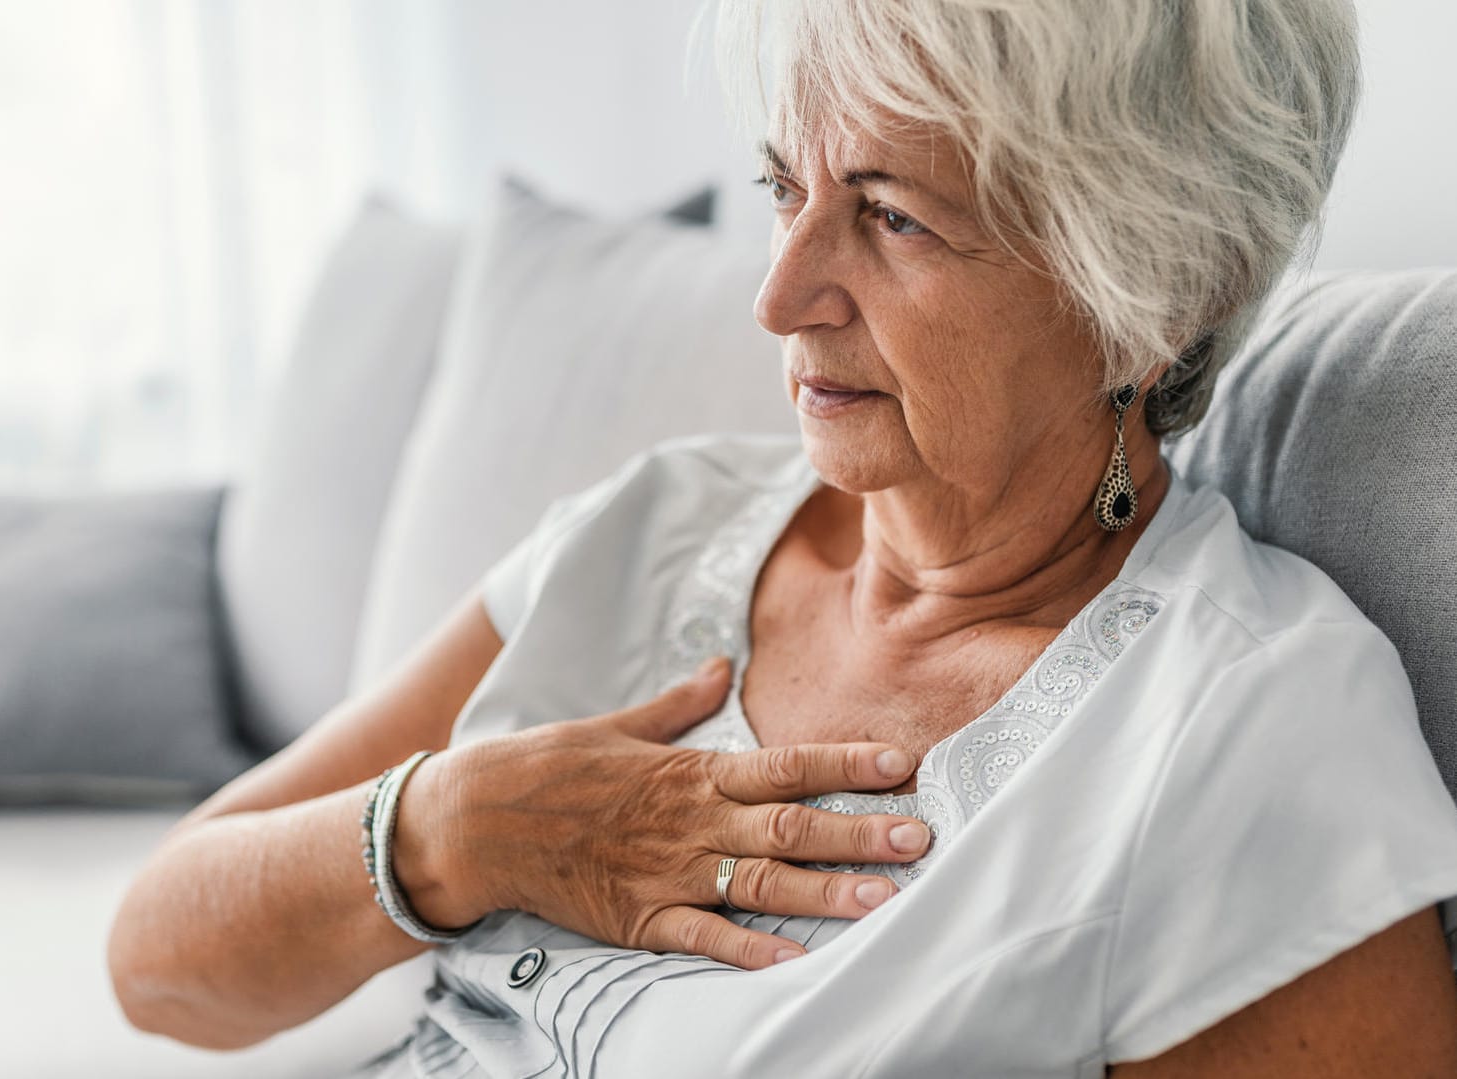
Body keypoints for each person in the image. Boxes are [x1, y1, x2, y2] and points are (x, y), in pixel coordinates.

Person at [108, 0, 1457, 1074]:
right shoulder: (651, 527)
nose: (776, 295)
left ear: (1154, 288)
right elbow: (159, 963)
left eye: (889, 216)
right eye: (781, 188)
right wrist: (459, 827)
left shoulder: (1244, 724)